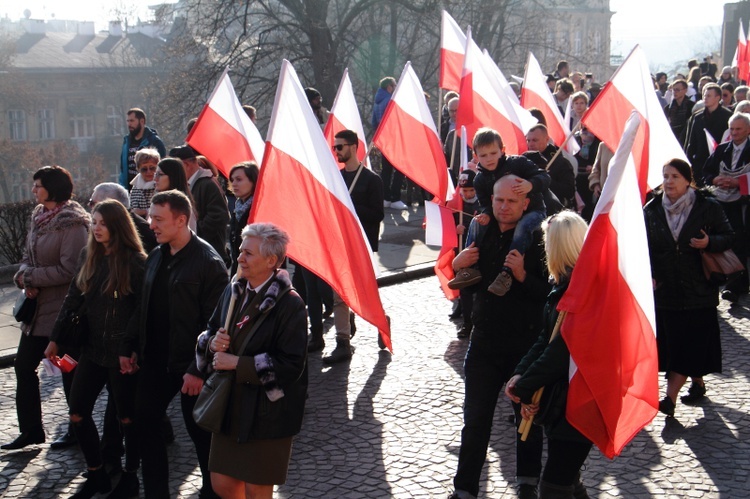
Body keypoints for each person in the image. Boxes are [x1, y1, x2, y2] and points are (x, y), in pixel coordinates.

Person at [449, 175, 550, 499]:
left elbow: (552, 296)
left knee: (528, 418)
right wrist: (456, 265)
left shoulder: (539, 241)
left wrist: (522, 276)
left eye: (511, 201)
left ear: (525, 204)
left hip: (525, 346)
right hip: (484, 343)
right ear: (491, 200)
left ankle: (527, 483)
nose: (504, 207)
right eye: (499, 200)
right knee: (475, 421)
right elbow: (468, 287)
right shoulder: (481, 232)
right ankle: (464, 490)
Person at [124, 190, 228, 498]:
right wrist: (128, 346)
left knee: (201, 436)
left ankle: (212, 493)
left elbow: (216, 326)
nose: (150, 224)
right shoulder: (156, 254)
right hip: (155, 361)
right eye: (150, 217)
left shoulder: (209, 262)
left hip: (190, 367)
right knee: (145, 425)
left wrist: (197, 369)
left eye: (158, 219)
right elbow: (143, 307)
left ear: (181, 220)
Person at [196, 222, 307, 499]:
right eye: (241, 251)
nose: (239, 258)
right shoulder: (233, 290)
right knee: (221, 483)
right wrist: (211, 342)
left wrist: (238, 364)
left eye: (248, 253)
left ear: (271, 261)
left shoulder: (290, 304)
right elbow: (210, 329)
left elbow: (291, 365)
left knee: (257, 489)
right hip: (230, 404)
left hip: (266, 413)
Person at [45, 200, 146, 498]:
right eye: (94, 222)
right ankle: (96, 473)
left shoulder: (136, 261)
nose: (96, 228)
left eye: (102, 223)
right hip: (92, 350)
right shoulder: (88, 255)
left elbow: (143, 310)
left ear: (118, 225)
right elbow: (72, 298)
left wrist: (131, 349)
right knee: (77, 412)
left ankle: (130, 475)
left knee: (126, 418)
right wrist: (55, 338)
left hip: (122, 356)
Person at [2, 166, 90, 451]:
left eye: (38, 185)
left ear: (53, 188)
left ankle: (79, 430)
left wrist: (31, 277)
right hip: (36, 313)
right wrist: (23, 276)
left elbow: (70, 270)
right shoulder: (38, 216)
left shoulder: (73, 222)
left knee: (68, 371)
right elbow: (27, 256)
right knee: (24, 366)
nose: (33, 190)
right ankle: (31, 430)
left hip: (62, 315)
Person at [505, 210, 591, 498]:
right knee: (568, 482)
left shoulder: (585, 291)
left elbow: (562, 349)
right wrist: (520, 373)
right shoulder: (564, 286)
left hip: (581, 401)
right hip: (563, 402)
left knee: (554, 486)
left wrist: (525, 386)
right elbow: (546, 336)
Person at [644, 159, 734, 417]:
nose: (669, 181)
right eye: (665, 176)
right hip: (667, 290)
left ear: (687, 179)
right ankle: (697, 381)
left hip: (699, 289)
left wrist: (708, 242)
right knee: (679, 345)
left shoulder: (707, 207)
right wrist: (648, 275)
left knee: (691, 343)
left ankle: (669, 399)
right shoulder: (651, 210)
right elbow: (645, 248)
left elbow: (729, 236)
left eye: (674, 176)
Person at [448, 128, 550, 298]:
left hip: (534, 212)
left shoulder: (517, 163)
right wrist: (486, 214)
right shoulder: (479, 179)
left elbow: (544, 177)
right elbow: (485, 204)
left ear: (502, 150)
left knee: (522, 228)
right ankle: (470, 268)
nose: (489, 159)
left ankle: (506, 273)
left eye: (493, 153)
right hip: (483, 317)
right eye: (484, 155)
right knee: (475, 223)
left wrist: (530, 184)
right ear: (475, 155)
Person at [321, 130, 385, 363]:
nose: (336, 151)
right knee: (339, 295)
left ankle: (381, 320)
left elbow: (377, 214)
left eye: (340, 147)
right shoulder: (337, 179)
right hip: (341, 245)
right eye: (334, 147)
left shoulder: (371, 180)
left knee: (366, 293)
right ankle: (342, 343)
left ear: (353, 147)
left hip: (363, 246)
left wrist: (350, 209)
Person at [702, 112, 750, 303]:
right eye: (732, 129)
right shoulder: (721, 150)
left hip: (743, 205)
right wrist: (716, 179)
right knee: (724, 241)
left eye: (739, 129)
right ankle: (731, 281)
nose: (735, 133)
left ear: (747, 130)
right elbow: (706, 172)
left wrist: (738, 183)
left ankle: (736, 285)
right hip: (722, 203)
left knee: (740, 243)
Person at [169, 145, 230, 264]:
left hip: (210, 252)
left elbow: (219, 216)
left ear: (186, 164)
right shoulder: (193, 183)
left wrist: (195, 232)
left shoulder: (207, 184)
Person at [684, 83, 732, 185]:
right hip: (699, 163)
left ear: (717, 97)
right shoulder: (697, 117)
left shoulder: (727, 116)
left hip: (718, 164)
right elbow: (690, 143)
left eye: (709, 96)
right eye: (704, 95)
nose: (705, 98)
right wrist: (688, 163)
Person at [372, 76, 408, 210]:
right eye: (394, 85)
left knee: (386, 170)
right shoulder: (390, 101)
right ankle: (395, 198)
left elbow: (374, 122)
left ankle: (386, 198)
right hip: (395, 140)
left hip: (384, 141)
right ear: (389, 87)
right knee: (399, 169)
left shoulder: (377, 102)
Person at [119, 108, 166, 189]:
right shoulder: (126, 142)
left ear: (142, 121)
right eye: (128, 121)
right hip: (130, 189)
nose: (129, 124)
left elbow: (163, 167)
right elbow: (123, 169)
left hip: (150, 189)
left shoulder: (154, 141)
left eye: (132, 121)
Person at [228, 161, 259, 276]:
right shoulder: (238, 206)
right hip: (238, 268)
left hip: (254, 271)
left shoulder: (258, 209)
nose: (234, 184)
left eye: (239, 179)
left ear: (253, 181)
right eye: (232, 180)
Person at [154, 157, 198, 231]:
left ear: (173, 177)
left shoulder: (182, 206)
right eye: (155, 174)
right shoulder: (158, 201)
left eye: (160, 174)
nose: (155, 179)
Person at [129, 147, 160, 218]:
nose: (148, 172)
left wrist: (145, 212)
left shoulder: (161, 185)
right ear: (138, 169)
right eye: (144, 169)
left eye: (152, 168)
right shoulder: (135, 186)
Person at [664, 79, 694, 145]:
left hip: (686, 140)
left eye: (677, 90)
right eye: (673, 90)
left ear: (685, 90)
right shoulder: (668, 108)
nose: (675, 92)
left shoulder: (691, 106)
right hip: (673, 140)